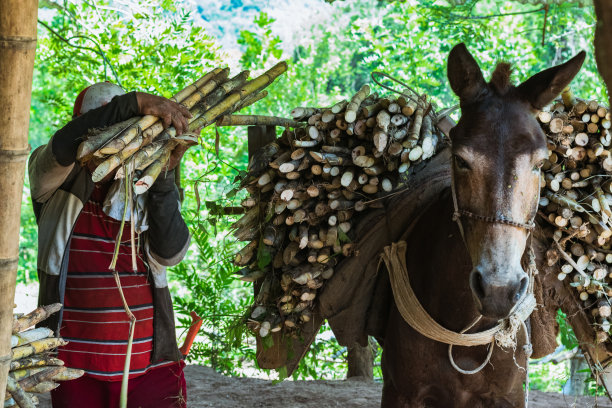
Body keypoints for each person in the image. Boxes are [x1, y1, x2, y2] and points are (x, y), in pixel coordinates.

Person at [28, 82, 194, 408]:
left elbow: (171, 252)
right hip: (75, 368)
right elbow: (62, 145)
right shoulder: (53, 179)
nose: (111, 144)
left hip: (149, 366)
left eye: (121, 133)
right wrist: (135, 102)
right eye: (100, 131)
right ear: (83, 129)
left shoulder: (145, 180)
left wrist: (164, 176)